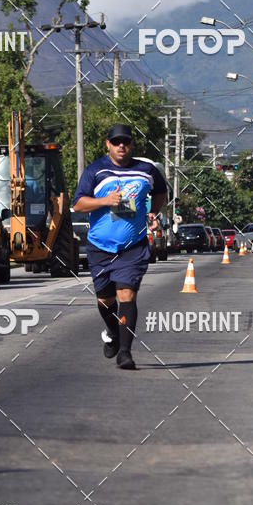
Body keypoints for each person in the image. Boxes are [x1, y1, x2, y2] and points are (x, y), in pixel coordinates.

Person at [73, 123, 167, 370]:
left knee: (127, 295)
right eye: (116, 142)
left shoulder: (146, 170)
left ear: (132, 144)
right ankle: (113, 331)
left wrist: (154, 211)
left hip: (133, 246)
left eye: (125, 141)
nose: (121, 145)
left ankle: (125, 352)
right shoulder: (96, 170)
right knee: (105, 300)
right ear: (108, 144)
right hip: (100, 247)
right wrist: (105, 200)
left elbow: (160, 191)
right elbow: (78, 204)